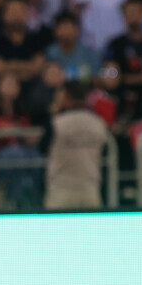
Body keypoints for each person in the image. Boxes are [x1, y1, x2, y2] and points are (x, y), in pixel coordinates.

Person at [41, 80, 110, 208]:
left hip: (61, 189)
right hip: (90, 188)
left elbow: (42, 148)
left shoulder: (56, 123)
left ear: (66, 97)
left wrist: (53, 113)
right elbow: (104, 150)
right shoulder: (98, 123)